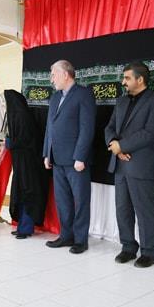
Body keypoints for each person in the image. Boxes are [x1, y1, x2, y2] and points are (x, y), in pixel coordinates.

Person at [104, 61, 154, 268]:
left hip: (141, 164)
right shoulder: (121, 101)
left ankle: (149, 252)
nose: (123, 82)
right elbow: (109, 127)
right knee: (122, 208)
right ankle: (128, 247)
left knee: (145, 209)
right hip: (120, 163)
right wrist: (114, 145)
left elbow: (151, 132)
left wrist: (122, 146)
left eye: (127, 78)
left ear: (140, 79)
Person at [42, 60, 96, 254]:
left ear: (65, 74)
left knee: (81, 201)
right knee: (63, 201)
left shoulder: (84, 94)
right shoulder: (55, 97)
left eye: (54, 75)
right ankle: (66, 236)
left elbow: (87, 128)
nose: (52, 79)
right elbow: (50, 127)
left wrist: (80, 157)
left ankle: (80, 240)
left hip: (76, 160)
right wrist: (47, 153)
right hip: (57, 159)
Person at [4, 90, 48, 239]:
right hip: (21, 163)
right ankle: (22, 226)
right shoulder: (17, 116)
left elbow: (25, 140)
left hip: (28, 164)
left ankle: (26, 229)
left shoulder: (23, 117)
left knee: (28, 194)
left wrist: (9, 143)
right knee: (21, 194)